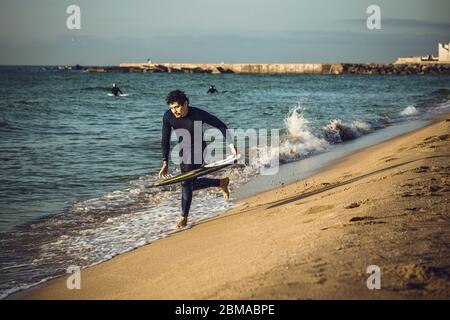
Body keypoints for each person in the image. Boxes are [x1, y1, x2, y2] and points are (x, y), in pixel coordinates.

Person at [159, 90, 237, 228]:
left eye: (177, 107)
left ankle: (183, 217)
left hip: (199, 148)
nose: (175, 111)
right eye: (172, 108)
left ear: (186, 103)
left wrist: (231, 146)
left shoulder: (197, 114)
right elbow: (165, 139)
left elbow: (220, 125)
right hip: (184, 151)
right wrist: (165, 162)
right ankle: (221, 182)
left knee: (185, 182)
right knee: (191, 184)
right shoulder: (168, 116)